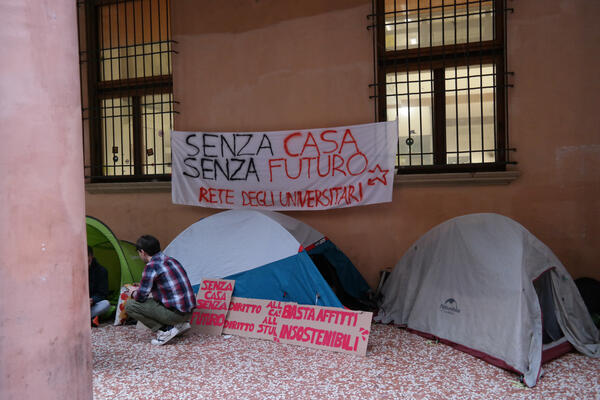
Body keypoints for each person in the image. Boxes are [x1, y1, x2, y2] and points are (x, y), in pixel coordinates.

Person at [125, 234, 196, 345]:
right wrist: (142, 285)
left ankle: (165, 330)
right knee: (152, 300)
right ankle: (179, 326)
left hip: (175, 314)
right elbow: (166, 285)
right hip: (188, 312)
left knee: (130, 305)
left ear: (142, 252)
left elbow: (140, 297)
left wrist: (133, 291)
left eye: (139, 253)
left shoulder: (151, 266)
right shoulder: (172, 260)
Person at [88, 245, 110, 326]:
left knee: (106, 304)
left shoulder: (101, 271)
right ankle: (87, 319)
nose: (86, 264)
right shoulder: (74, 270)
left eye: (88, 260)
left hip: (91, 305)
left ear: (92, 257)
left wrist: (92, 300)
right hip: (76, 306)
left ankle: (81, 318)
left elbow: (103, 294)